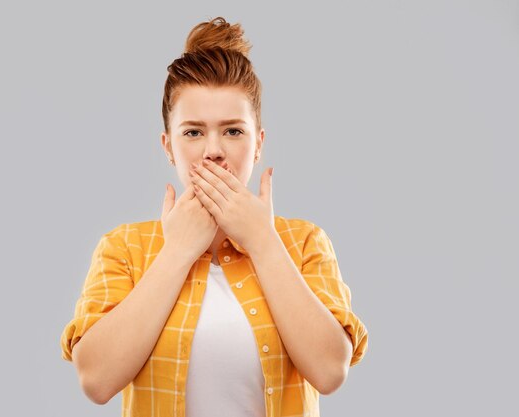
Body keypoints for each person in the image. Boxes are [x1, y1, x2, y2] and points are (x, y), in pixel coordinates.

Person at [60, 16, 369, 417]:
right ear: (168, 146)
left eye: (233, 131)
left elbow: (330, 372)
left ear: (258, 144)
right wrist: (176, 254)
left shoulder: (304, 242)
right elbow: (96, 381)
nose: (213, 151)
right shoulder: (124, 248)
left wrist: (262, 241)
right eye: (193, 132)